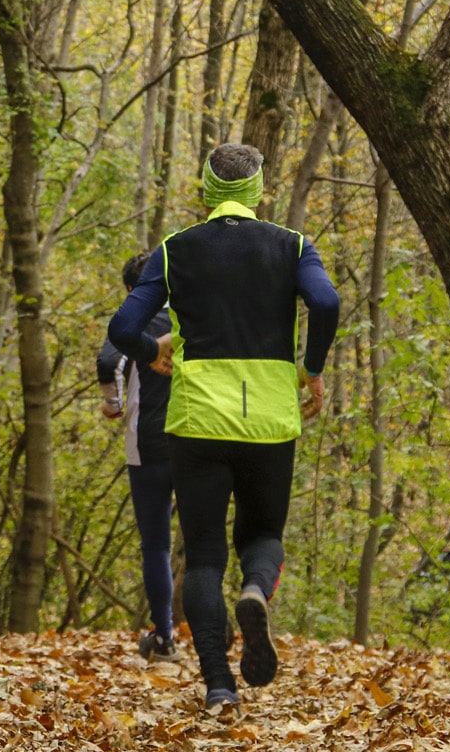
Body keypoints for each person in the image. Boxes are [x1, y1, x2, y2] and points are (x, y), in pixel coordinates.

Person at [107, 143, 339, 709]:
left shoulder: (175, 249)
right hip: (269, 418)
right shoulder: (292, 245)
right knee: (263, 536)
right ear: (258, 190)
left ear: (207, 188)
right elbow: (326, 303)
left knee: (205, 554)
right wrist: (311, 370)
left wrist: (151, 352)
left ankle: (218, 685)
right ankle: (255, 590)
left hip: (198, 419)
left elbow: (123, 328)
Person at [97, 253, 177, 661]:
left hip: (148, 440)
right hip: (198, 436)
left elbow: (108, 360)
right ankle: (212, 633)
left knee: (156, 543)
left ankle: (164, 637)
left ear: (133, 290)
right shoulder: (191, 316)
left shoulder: (134, 320)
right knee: (204, 540)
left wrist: (112, 403)